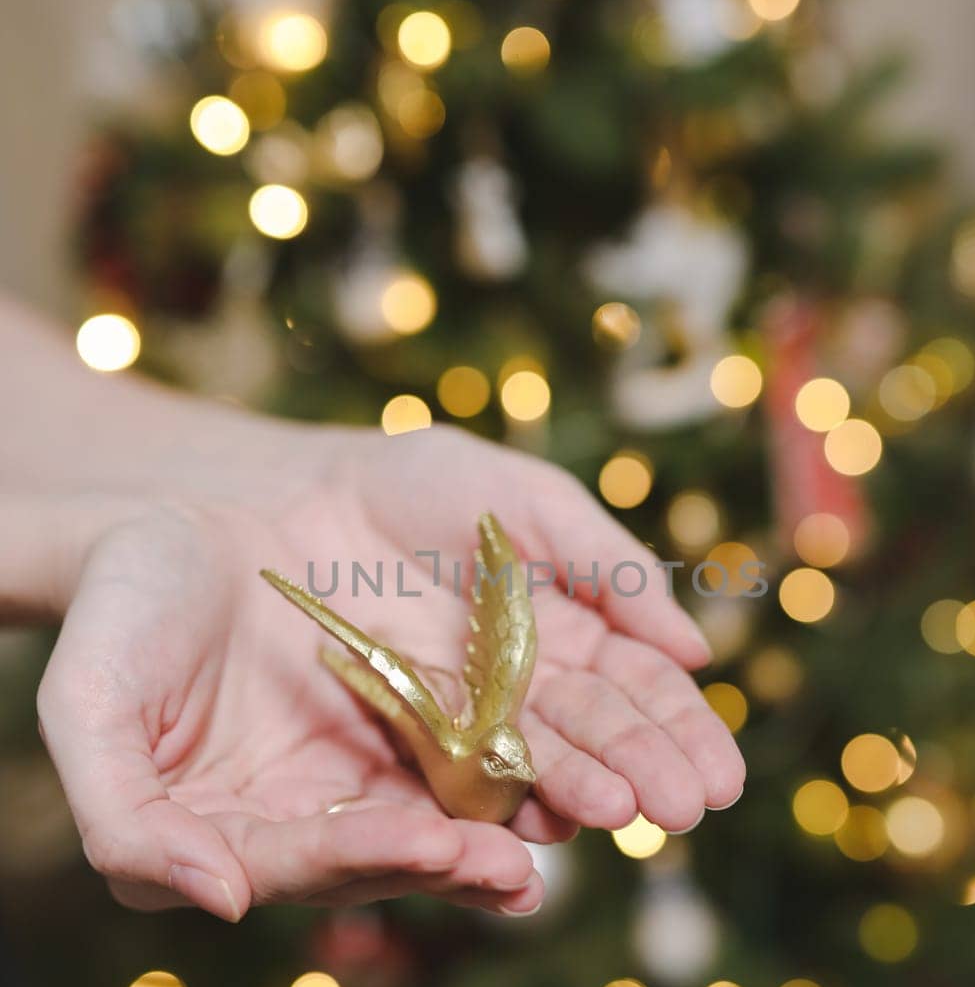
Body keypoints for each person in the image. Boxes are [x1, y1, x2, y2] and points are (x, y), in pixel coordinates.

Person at [0, 295, 745, 921]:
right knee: (402, 668)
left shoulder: (491, 737)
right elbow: (439, 659)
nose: (507, 756)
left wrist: (309, 479)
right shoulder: (462, 736)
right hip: (383, 675)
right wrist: (83, 546)